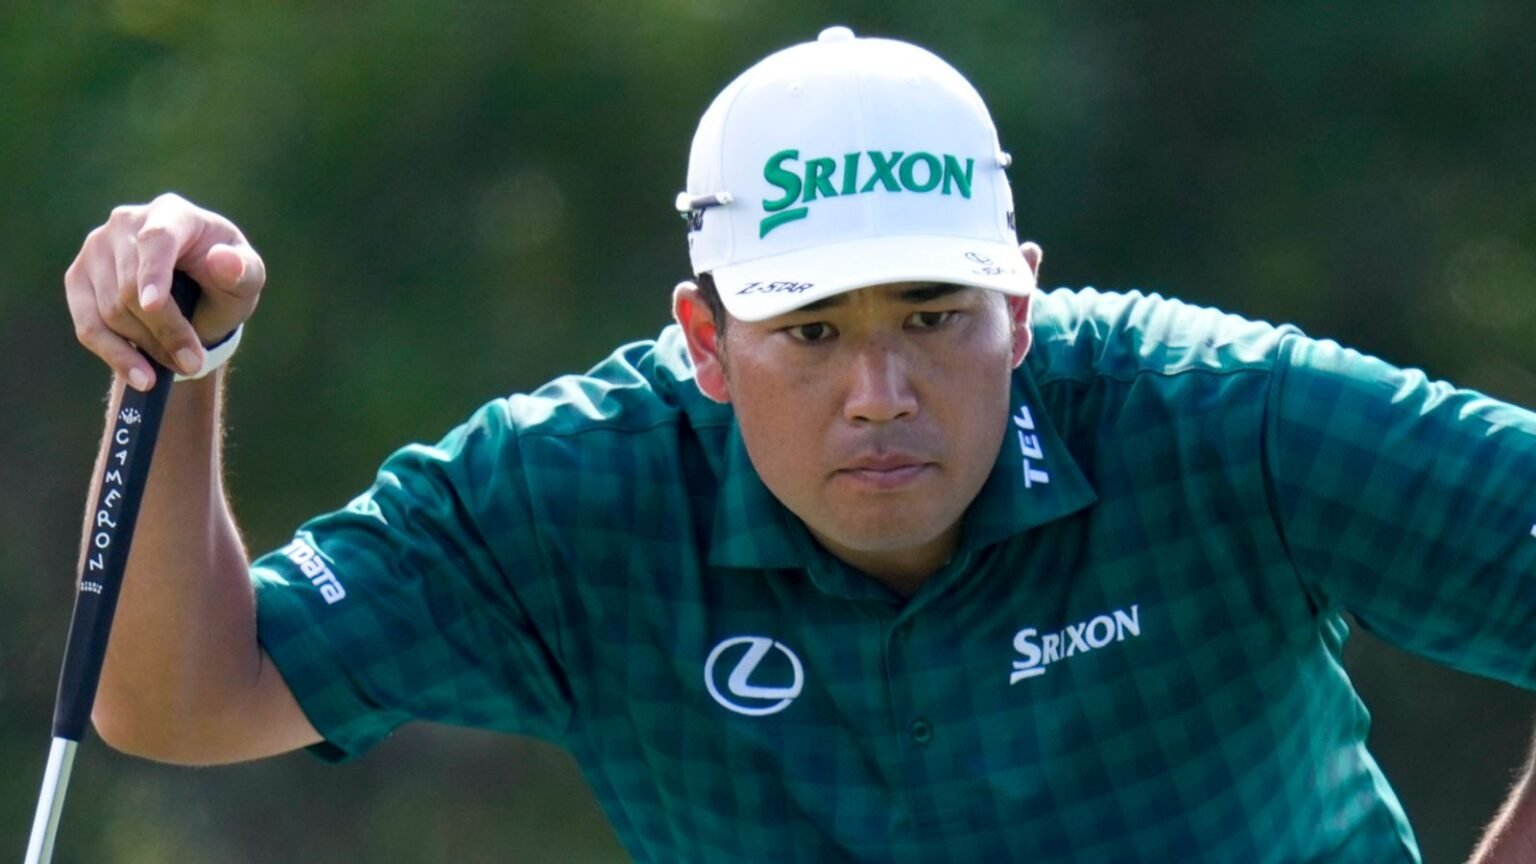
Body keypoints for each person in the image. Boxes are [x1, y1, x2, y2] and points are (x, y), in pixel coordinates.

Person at [64, 25, 1536, 863]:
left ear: (1022, 307)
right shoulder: (576, 492)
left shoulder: (1220, 416)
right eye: (813, 331)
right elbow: (186, 698)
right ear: (706, 343)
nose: (880, 390)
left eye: (935, 316)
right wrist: (181, 363)